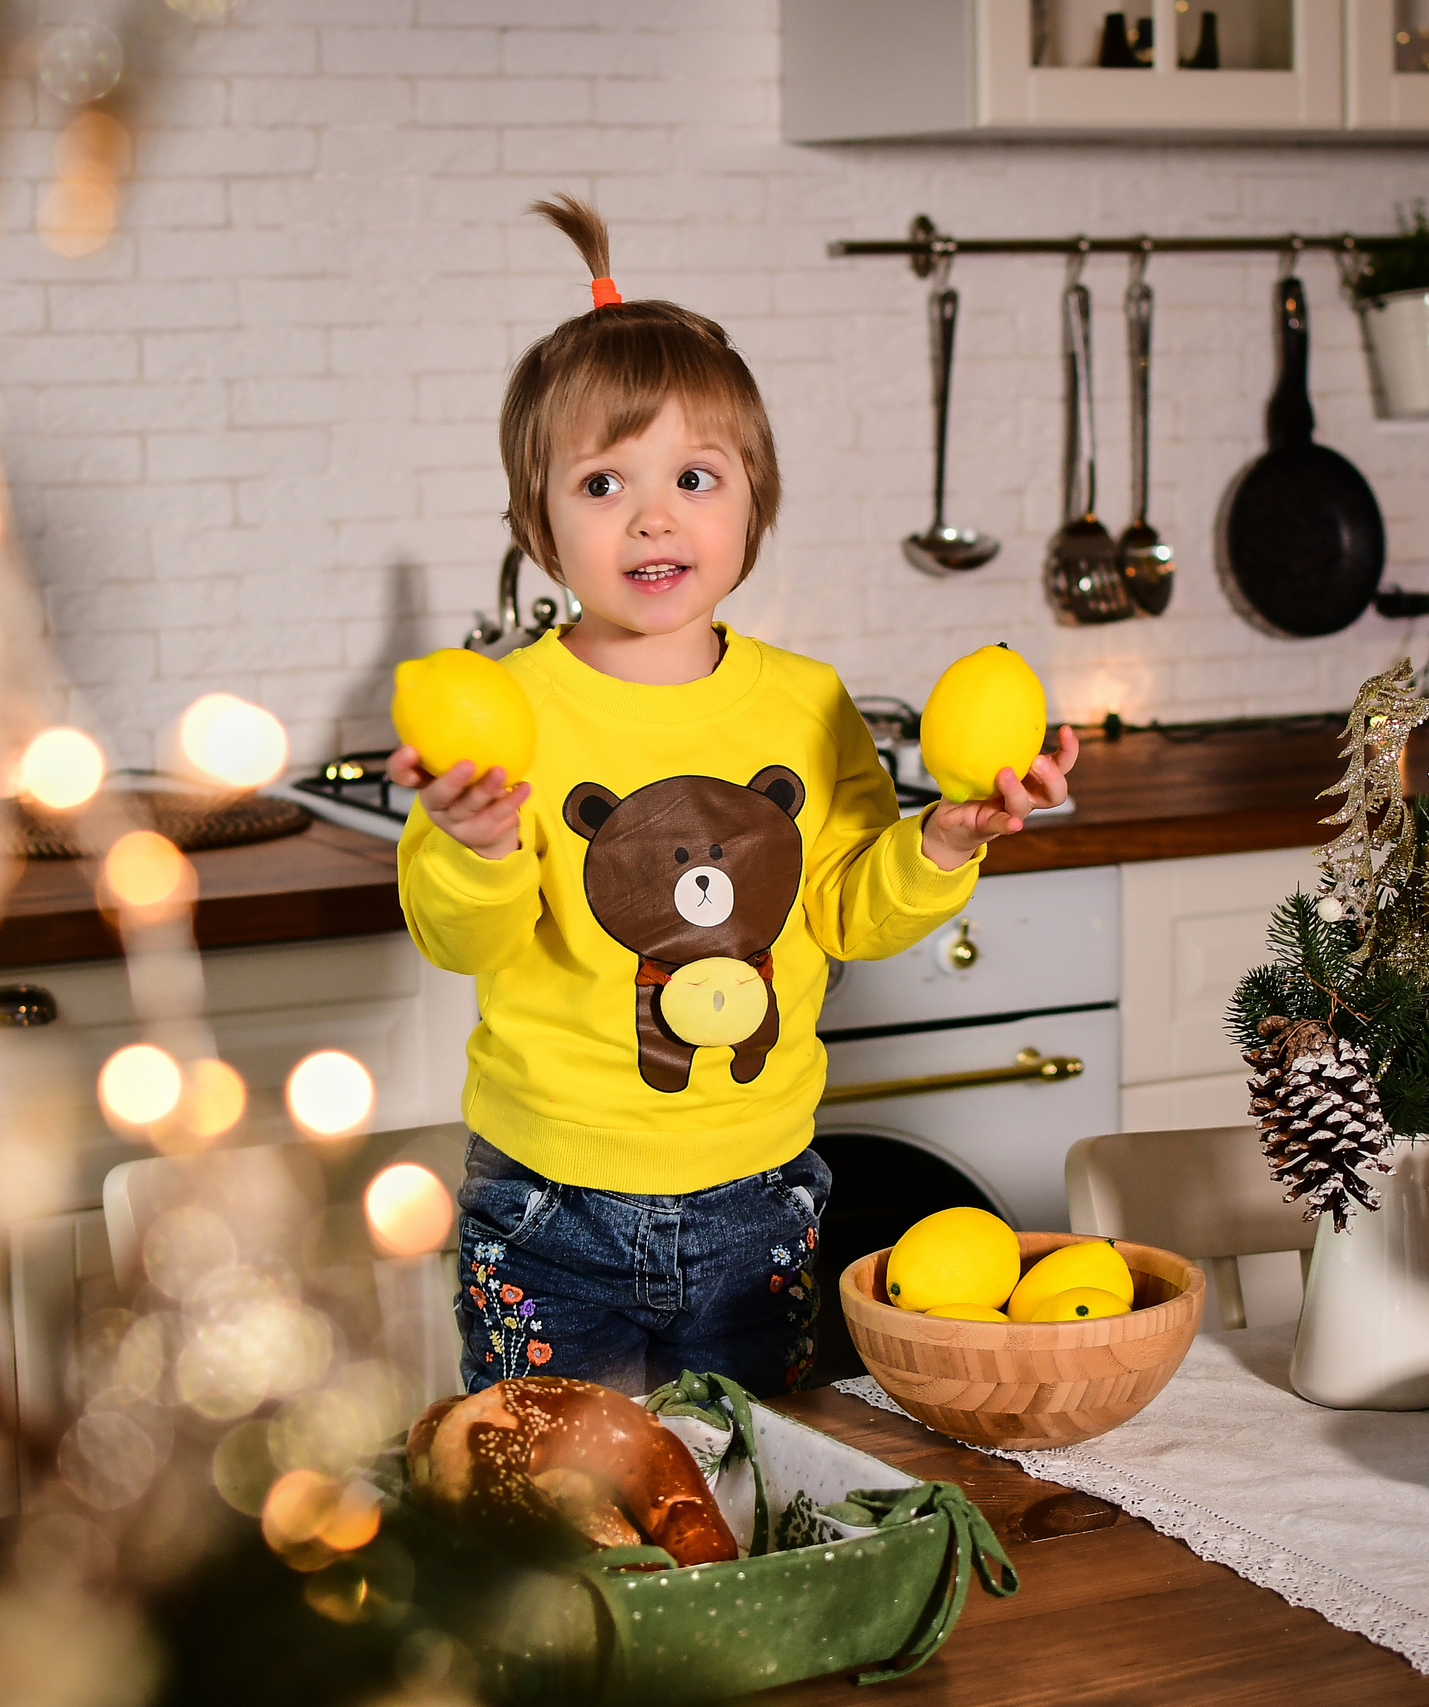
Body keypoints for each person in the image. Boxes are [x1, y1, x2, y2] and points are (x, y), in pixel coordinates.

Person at [390, 196, 1074, 1396]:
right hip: (549, 1201)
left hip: (757, 1197)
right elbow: (462, 941)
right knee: (546, 1490)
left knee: (756, 1480)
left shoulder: (807, 704)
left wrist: (943, 840)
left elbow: (849, 909)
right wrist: (477, 846)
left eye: (695, 477)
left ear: (755, 497)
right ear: (537, 524)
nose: (653, 516)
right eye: (602, 483)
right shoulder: (500, 716)